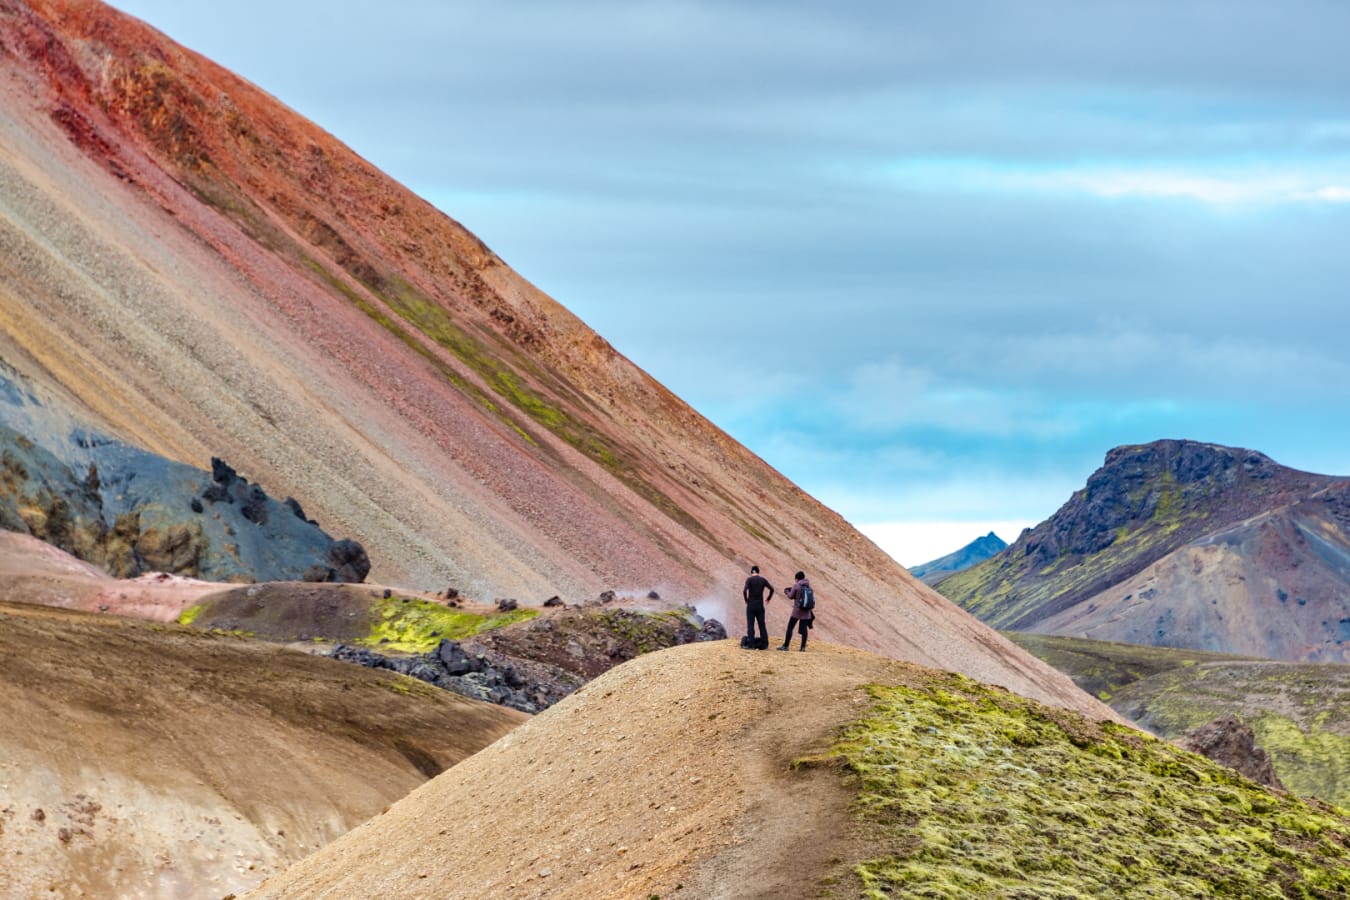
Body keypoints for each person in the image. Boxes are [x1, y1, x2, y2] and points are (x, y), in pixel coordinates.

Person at [779, 570, 814, 652]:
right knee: (804, 629)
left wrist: (786, 591)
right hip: (806, 612)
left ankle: (786, 646)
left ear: (797, 579)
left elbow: (791, 596)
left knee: (790, 627)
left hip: (797, 611)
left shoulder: (796, 586)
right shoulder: (809, 587)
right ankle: (803, 647)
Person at [742, 565, 774, 649]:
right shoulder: (763, 580)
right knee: (762, 625)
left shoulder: (749, 580)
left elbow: (744, 591)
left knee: (750, 625)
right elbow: (772, 589)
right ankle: (765, 644)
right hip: (760, 605)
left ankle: (751, 645)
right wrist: (768, 598)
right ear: (758, 572)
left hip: (751, 605)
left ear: (751, 572)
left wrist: (746, 600)